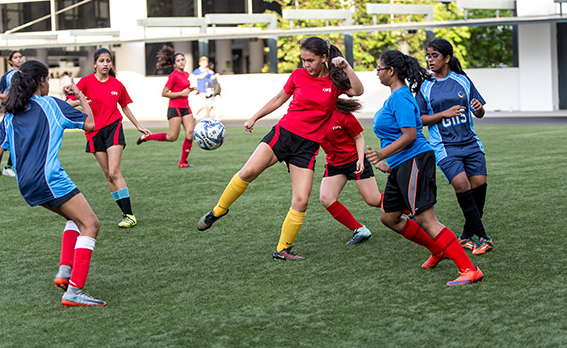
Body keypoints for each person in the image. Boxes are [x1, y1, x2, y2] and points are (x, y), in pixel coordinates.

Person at [196, 37, 364, 260]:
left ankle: (282, 250)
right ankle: (218, 211)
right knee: (248, 172)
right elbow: (278, 99)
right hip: (283, 135)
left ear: (324, 58)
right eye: (303, 60)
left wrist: (346, 66)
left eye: (310, 60)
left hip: (307, 147)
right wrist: (255, 117)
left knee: (301, 200)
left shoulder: (334, 80)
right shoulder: (298, 75)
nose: (306, 65)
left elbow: (357, 90)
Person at [0, 60, 106, 307]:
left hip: (26, 185)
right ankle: (74, 291)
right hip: (49, 178)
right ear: (42, 80)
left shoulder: (11, 114)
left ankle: (65, 271)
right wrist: (81, 95)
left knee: (74, 219)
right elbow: (90, 123)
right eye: (48, 79)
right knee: (91, 225)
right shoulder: (51, 105)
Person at [365, 49, 484, 286]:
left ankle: (469, 269)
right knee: (389, 217)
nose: (376, 73)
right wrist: (390, 162)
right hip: (401, 164)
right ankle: (438, 250)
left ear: (390, 71)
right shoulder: (394, 97)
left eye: (379, 69)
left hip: (415, 161)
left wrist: (381, 155)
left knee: (425, 218)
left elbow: (410, 135)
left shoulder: (401, 97)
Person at [416, 38, 493, 255]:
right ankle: (484, 238)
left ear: (447, 58)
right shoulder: (425, 86)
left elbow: (479, 112)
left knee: (479, 188)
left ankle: (466, 236)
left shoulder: (462, 81)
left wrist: (478, 110)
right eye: (428, 56)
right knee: (461, 184)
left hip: (470, 143)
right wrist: (443, 114)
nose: (430, 60)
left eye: (435, 56)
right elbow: (418, 119)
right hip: (445, 146)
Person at [76, 48, 151, 228]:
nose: (105, 64)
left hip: (113, 128)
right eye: (101, 61)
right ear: (94, 64)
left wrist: (138, 126)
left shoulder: (117, 85)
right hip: (93, 132)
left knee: (113, 172)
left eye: (108, 61)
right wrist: (80, 100)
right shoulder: (85, 82)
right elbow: (72, 103)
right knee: (107, 176)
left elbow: (124, 107)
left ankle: (130, 215)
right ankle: (125, 214)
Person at [319, 97, 382, 245]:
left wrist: (360, 159)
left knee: (373, 200)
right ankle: (360, 230)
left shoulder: (341, 114)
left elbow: (358, 138)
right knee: (326, 198)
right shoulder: (313, 118)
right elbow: (308, 140)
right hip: (334, 164)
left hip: (355, 160)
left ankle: (409, 208)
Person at [137, 45, 197, 168]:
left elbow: (183, 89)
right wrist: (181, 93)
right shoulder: (173, 75)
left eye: (183, 59)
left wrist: (191, 89)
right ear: (174, 64)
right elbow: (164, 93)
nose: (181, 62)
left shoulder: (186, 74)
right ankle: (147, 137)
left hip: (186, 107)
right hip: (174, 108)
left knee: (190, 132)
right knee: (172, 137)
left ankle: (183, 162)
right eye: (178, 60)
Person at [0, 50, 24, 177]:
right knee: (12, 138)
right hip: (12, 111)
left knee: (21, 138)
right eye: (15, 57)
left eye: (20, 57)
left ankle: (12, 165)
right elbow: (0, 94)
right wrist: (11, 98)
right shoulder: (6, 76)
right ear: (10, 61)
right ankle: (8, 166)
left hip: (24, 110)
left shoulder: (25, 75)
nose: (19, 59)